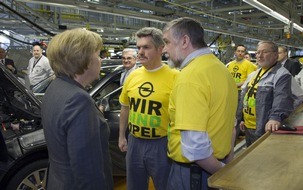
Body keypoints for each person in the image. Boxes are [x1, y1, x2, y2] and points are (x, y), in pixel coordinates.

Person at [162, 17, 238, 190]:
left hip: (193, 175)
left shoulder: (190, 77)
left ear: (184, 41)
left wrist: (220, 171)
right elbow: (230, 127)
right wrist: (228, 165)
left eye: (167, 42)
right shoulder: (222, 71)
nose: (164, 49)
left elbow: (195, 147)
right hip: (215, 165)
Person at [41, 28, 113, 190]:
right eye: (98, 54)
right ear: (84, 59)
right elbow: (88, 172)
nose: (101, 59)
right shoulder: (79, 100)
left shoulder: (56, 88)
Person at [118, 27, 179, 190]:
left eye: (146, 47)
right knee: (134, 186)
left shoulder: (175, 77)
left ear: (161, 49)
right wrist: (122, 136)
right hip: (135, 143)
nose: (140, 52)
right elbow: (125, 107)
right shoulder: (133, 75)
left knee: (165, 185)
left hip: (161, 144)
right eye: (138, 47)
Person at [238, 41, 294, 146]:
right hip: (248, 126)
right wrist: (242, 119)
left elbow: (281, 98)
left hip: (264, 127)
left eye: (264, 52)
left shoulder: (281, 74)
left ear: (275, 55)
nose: (259, 55)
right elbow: (246, 97)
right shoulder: (254, 74)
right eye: (258, 52)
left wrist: (275, 118)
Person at [227, 44, 257, 140]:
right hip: (231, 93)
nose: (240, 53)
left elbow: (250, 80)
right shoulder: (230, 64)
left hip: (241, 93)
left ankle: (233, 139)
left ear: (245, 53)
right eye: (238, 51)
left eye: (242, 51)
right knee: (229, 116)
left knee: (237, 116)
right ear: (235, 52)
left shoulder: (249, 65)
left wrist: (237, 84)